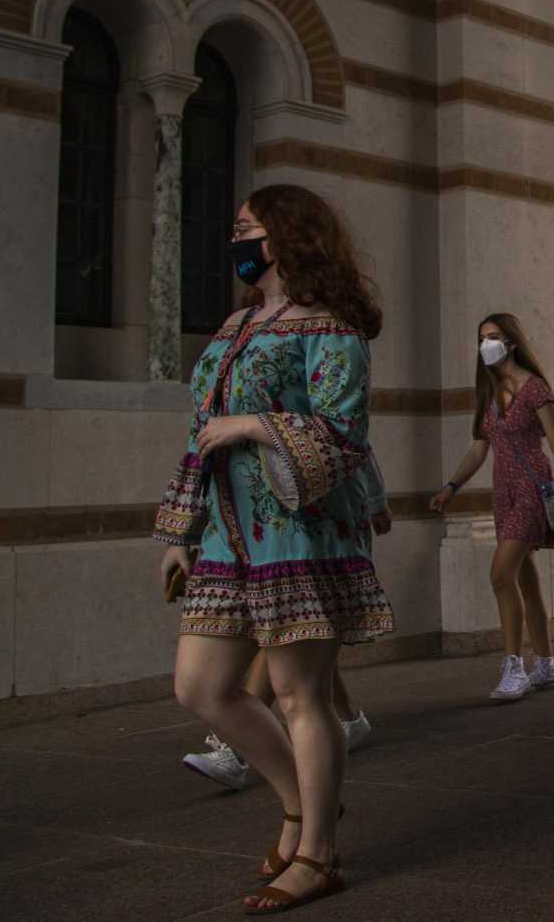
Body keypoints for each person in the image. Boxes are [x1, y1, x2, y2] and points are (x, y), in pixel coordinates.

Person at [154, 184, 392, 911]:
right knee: (200, 685)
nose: (238, 240)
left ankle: (318, 853)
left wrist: (255, 425)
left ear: (288, 237)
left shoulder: (331, 329)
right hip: (227, 533)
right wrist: (180, 531)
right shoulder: (234, 327)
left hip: (299, 531)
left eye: (247, 227)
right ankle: (301, 802)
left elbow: (345, 437)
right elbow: (202, 431)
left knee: (299, 694)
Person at [182, 454, 387, 789]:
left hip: (310, 526)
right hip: (252, 528)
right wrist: (185, 533)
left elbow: (349, 437)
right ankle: (349, 716)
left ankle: (237, 754)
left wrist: (376, 502)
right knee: (303, 644)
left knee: (284, 637)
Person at [428, 314, 554, 700]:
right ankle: (545, 665)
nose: (486, 344)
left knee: (501, 575)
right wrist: (451, 487)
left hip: (533, 488)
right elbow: (479, 448)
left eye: (494, 337)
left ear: (512, 342)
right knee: (527, 583)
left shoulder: (534, 389)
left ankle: (514, 667)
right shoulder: (487, 390)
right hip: (504, 493)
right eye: (481, 337)